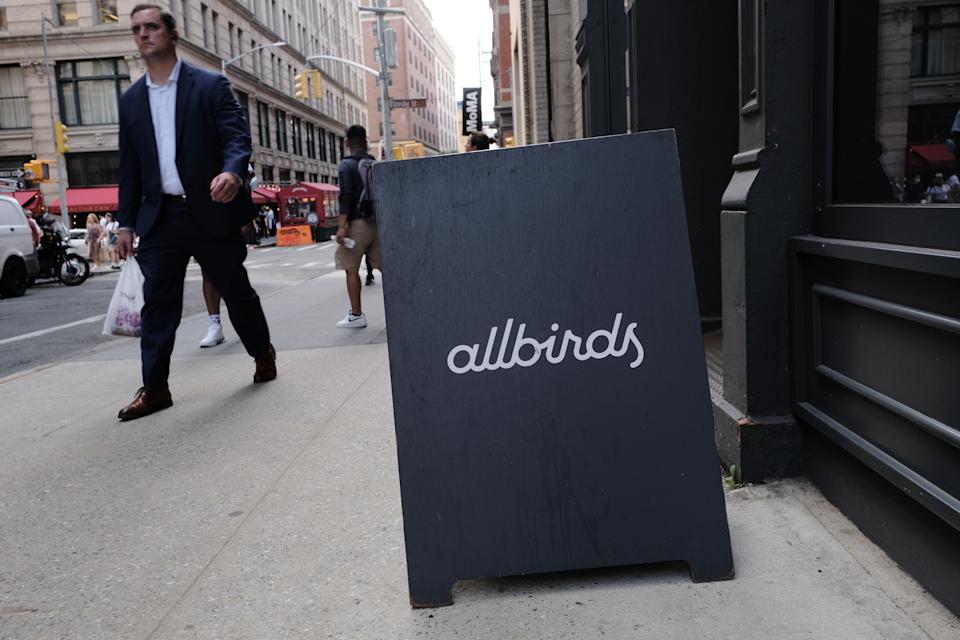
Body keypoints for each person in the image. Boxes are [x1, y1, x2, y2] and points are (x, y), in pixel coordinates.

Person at [115, 4, 276, 422]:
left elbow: (236, 138)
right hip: (161, 218)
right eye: (137, 29)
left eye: (152, 27)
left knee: (236, 292)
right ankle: (155, 389)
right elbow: (129, 166)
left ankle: (262, 353)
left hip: (212, 209)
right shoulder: (131, 101)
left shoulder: (209, 85)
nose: (144, 34)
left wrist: (232, 172)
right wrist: (126, 223)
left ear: (172, 34)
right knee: (158, 306)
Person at [334, 124, 381, 328]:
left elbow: (346, 195)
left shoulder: (346, 165)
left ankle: (356, 315)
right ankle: (402, 305)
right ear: (366, 141)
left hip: (356, 224)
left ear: (346, 142)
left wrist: (342, 227)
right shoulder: (373, 163)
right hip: (376, 222)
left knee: (351, 269)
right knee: (385, 267)